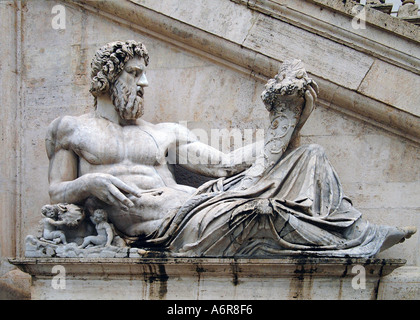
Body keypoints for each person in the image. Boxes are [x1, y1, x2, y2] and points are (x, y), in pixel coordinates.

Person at [46, 40, 415, 257]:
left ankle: (354, 233)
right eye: (135, 72)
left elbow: (224, 165)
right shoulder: (71, 129)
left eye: (144, 73)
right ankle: (350, 242)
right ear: (109, 76)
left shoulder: (163, 133)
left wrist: (288, 128)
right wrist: (89, 185)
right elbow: (57, 191)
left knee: (308, 157)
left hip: (194, 205)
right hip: (162, 228)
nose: (145, 82)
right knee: (258, 213)